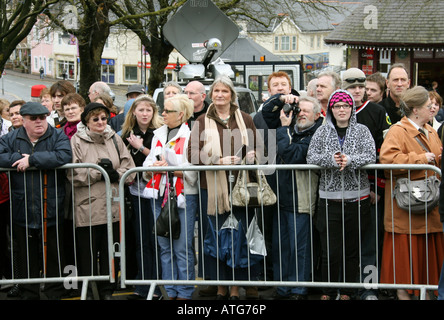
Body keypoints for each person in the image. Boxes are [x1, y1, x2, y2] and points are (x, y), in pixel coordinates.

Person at [188, 76, 262, 300]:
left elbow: (260, 148)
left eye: (225, 91)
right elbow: (191, 154)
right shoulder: (201, 121)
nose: (220, 95)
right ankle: (220, 286)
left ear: (232, 95)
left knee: (239, 237)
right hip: (210, 189)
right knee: (215, 238)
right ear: (211, 95)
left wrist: (252, 155)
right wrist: (216, 161)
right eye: (216, 91)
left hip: (240, 187)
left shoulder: (246, 119)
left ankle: (236, 287)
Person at [306, 89, 376, 300]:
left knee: (352, 251)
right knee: (330, 251)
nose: (342, 109)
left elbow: (371, 155)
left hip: (358, 199)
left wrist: (350, 160)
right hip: (329, 200)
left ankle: (347, 291)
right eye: (337, 106)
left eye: (346, 105)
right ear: (331, 109)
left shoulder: (363, 130)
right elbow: (311, 157)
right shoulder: (322, 131)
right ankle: (328, 291)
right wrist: (332, 160)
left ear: (352, 108)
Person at [0, 102, 72, 300]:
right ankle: (29, 291)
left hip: (52, 205)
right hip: (22, 206)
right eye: (34, 119)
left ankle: (55, 291)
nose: (39, 121)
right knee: (26, 253)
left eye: (42, 117)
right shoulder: (11, 138)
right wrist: (17, 159)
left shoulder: (57, 135)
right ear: (23, 121)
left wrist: (31, 160)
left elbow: (64, 155)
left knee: (55, 252)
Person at [379, 86, 444, 300]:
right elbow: (387, 161)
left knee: (427, 265)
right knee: (404, 266)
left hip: (428, 207)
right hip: (406, 209)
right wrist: (420, 159)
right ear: (415, 109)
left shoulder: (431, 130)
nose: (432, 108)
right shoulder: (398, 131)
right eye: (428, 106)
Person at [68, 102, 136, 300]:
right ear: (87, 122)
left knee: (110, 252)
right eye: (95, 119)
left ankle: (108, 290)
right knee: (87, 252)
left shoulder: (114, 138)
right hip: (87, 206)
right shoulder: (77, 141)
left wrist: (116, 174)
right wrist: (98, 173)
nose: (100, 122)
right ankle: (88, 290)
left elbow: (128, 166)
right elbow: (73, 172)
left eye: (104, 118)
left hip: (112, 206)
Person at [142, 94, 198, 300]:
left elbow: (194, 171)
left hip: (183, 197)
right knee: (164, 247)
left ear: (181, 114)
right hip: (159, 194)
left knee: (182, 248)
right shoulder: (158, 134)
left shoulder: (191, 135)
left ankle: (184, 292)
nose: (162, 114)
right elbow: (147, 164)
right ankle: (170, 291)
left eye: (167, 111)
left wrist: (170, 169)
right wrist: (153, 167)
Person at [342, 67, 391, 300]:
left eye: (361, 86)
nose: (358, 91)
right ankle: (344, 289)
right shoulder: (335, 112)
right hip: (340, 191)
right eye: (352, 87)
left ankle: (368, 288)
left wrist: (377, 187)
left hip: (368, 190)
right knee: (344, 243)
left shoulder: (377, 111)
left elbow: (383, 153)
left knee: (369, 244)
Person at [273, 95, 323, 300]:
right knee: (281, 248)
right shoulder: (291, 130)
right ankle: (283, 288)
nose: (300, 114)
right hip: (281, 198)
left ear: (317, 114)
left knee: (299, 248)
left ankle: (298, 289)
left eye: (305, 111)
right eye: (298, 110)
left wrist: (283, 130)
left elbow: (293, 154)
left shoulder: (317, 134)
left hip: (300, 198)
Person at [120, 95, 163, 300]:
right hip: (136, 192)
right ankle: (143, 283)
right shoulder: (126, 135)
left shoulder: (159, 134)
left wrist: (141, 147)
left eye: (149, 110)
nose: (145, 114)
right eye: (141, 110)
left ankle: (157, 284)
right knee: (141, 239)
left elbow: (160, 159)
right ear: (134, 112)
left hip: (157, 191)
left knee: (157, 239)